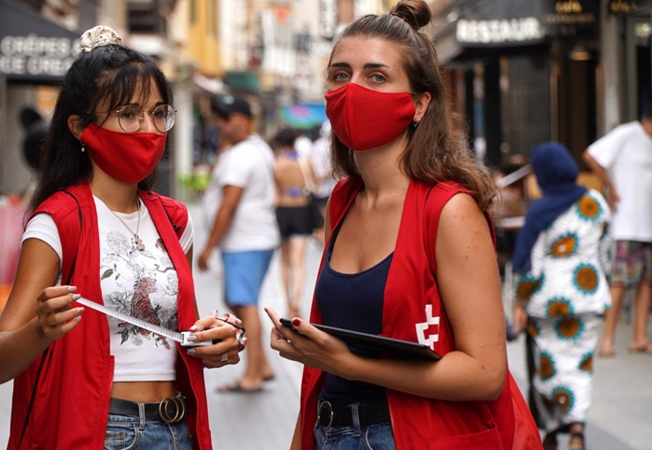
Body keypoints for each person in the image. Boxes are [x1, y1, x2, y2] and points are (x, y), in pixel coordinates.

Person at [264, 2, 541, 449]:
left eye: (376, 76)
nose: (351, 90)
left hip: (412, 435)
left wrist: (352, 365)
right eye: (340, 75)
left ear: (419, 104)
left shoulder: (449, 209)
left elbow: (486, 373)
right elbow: (325, 368)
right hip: (330, 429)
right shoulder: (343, 200)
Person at [0, 26, 243, 450]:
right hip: (103, 432)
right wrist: (41, 329)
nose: (149, 128)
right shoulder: (57, 222)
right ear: (81, 127)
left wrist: (214, 342)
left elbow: (176, 335)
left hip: (179, 428)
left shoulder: (175, 221)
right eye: (128, 114)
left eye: (159, 113)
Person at [511, 142, 611, 450]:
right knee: (579, 365)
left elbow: (531, 266)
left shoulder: (541, 210)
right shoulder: (595, 201)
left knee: (549, 367)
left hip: (548, 304)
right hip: (589, 297)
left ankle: (553, 429)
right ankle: (577, 429)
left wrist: (519, 302)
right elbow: (606, 251)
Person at [198, 95, 279, 393]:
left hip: (245, 240)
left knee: (244, 305)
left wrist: (208, 247)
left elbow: (229, 204)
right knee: (240, 302)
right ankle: (263, 364)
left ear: (244, 122)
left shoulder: (242, 154)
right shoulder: (254, 149)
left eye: (227, 118)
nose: (221, 124)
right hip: (253, 239)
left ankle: (253, 374)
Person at [583, 103, 652, 357]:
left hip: (649, 224)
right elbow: (591, 154)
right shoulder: (628, 133)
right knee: (621, 281)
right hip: (628, 224)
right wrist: (611, 187)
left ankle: (639, 338)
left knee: (647, 282)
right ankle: (608, 340)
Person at [270, 127, 315, 319]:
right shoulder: (304, 162)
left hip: (281, 211)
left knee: (285, 261)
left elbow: (272, 192)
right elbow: (315, 184)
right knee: (298, 261)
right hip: (301, 210)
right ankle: (297, 301)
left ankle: (288, 302)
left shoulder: (275, 163)